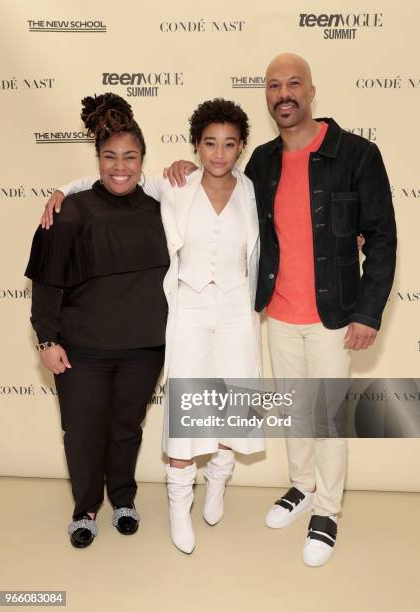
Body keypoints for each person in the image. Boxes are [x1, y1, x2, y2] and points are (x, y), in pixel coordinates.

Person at [163, 53, 397, 566]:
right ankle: (301, 487)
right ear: (266, 96)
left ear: (312, 90)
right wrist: (179, 167)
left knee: (328, 417)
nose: (283, 92)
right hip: (277, 313)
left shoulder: (356, 153)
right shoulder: (262, 162)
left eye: (294, 83)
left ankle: (328, 511)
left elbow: (381, 237)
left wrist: (369, 311)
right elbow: (223, 202)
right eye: (274, 85)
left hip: (335, 313)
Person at [40, 98, 264, 554]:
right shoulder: (176, 186)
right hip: (187, 315)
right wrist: (64, 188)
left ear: (241, 148)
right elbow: (116, 178)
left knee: (231, 400)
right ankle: (175, 508)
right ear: (196, 146)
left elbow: (124, 174)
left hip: (234, 311)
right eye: (209, 143)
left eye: (228, 144)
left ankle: (216, 481)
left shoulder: (252, 189)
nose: (218, 153)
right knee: (182, 411)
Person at [25, 93, 169, 548]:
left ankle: (123, 499)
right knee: (83, 431)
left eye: (129, 156)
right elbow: (47, 283)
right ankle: (85, 508)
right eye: (110, 157)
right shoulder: (72, 210)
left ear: (143, 159)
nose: (119, 166)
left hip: (144, 348)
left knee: (126, 429)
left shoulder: (164, 209)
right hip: (82, 347)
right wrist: (46, 339)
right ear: (98, 160)